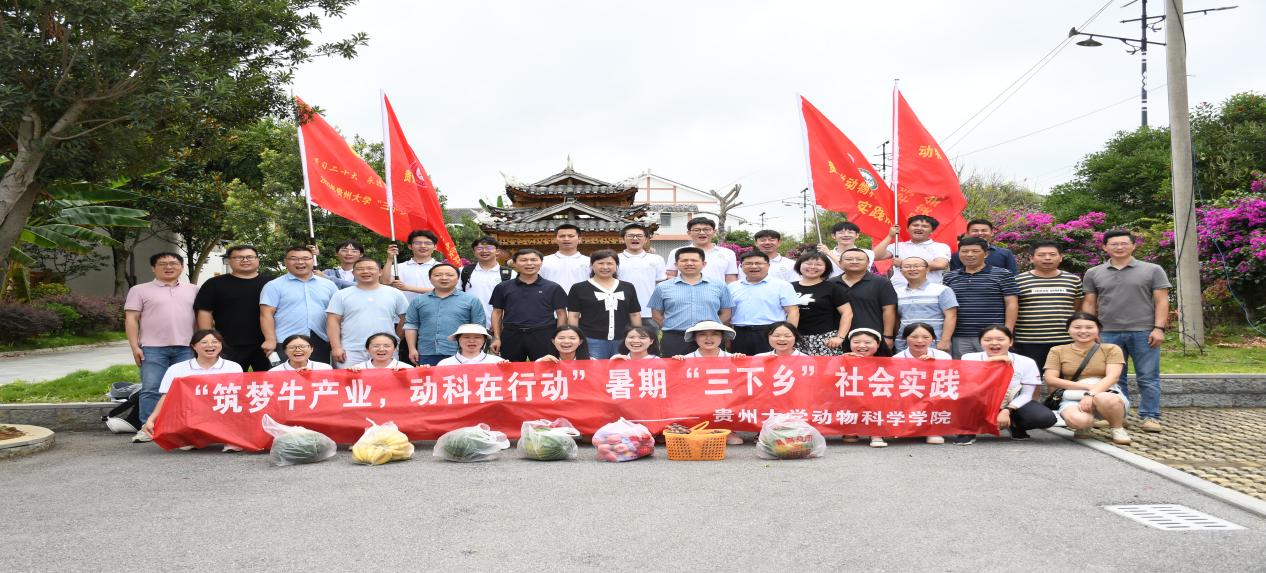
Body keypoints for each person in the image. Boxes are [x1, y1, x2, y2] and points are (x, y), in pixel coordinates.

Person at [1082, 229, 1171, 433]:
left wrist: (1159, 328)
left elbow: (1161, 301)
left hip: (1144, 331)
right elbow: (1089, 303)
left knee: (1148, 376)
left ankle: (1150, 416)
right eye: (1114, 244)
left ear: (1133, 246)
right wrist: (1090, 330)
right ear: (1105, 247)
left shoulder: (1153, 270)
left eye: (1124, 243)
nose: (1119, 247)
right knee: (1113, 378)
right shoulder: (1094, 273)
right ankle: (1117, 417)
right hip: (1108, 332)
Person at [125, 252, 199, 434]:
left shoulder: (194, 290)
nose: (169, 267)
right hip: (152, 348)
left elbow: (201, 317)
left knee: (185, 389)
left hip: (187, 347)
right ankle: (148, 428)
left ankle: (182, 427)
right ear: (153, 268)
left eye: (173, 263)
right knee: (151, 388)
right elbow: (131, 319)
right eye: (163, 264)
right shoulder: (139, 290)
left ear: (181, 267)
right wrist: (134, 347)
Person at [139, 329, 243, 444]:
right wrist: (151, 419)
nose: (210, 345)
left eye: (215, 342)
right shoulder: (177, 369)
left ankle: (230, 438)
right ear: (194, 346)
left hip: (221, 411)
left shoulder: (233, 367)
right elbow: (166, 396)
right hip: (191, 415)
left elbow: (239, 397)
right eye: (204, 342)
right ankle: (189, 436)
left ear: (221, 345)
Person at [1044, 312, 1133, 445]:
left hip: (1106, 393)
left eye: (1089, 327)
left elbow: (1113, 377)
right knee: (1079, 421)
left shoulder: (1111, 349)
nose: (1083, 331)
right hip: (1073, 395)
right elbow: (1051, 379)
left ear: (1098, 329)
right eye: (1077, 327)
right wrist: (1087, 388)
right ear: (1068, 330)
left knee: (1105, 398)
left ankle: (1117, 428)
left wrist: (1091, 394)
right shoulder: (1057, 350)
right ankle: (1085, 423)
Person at [959, 325, 1057, 445]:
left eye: (1000, 339)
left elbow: (1027, 394)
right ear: (980, 342)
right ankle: (968, 430)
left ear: (1010, 342)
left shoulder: (1026, 362)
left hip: (1011, 403)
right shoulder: (968, 358)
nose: (994, 343)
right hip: (979, 403)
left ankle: (1015, 425)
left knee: (1045, 418)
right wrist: (991, 361)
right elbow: (966, 386)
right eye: (987, 340)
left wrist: (1007, 410)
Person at [193, 245, 272, 372]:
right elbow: (205, 311)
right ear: (229, 260)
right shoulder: (214, 284)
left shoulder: (271, 283)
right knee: (229, 380)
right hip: (228, 343)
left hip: (266, 343)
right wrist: (208, 338)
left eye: (249, 257)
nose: (245, 260)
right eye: (239, 257)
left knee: (269, 379)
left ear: (258, 259)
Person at [649, 247, 735, 357]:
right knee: (673, 367)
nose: (689, 263)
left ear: (703, 264)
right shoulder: (662, 287)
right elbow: (656, 314)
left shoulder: (720, 286)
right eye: (684, 260)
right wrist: (672, 325)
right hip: (675, 338)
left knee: (710, 367)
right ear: (676, 264)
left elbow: (726, 313)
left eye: (694, 260)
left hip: (709, 338)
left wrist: (711, 327)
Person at [260, 246, 339, 364]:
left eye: (305, 258)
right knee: (286, 374)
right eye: (294, 258)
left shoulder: (329, 285)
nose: (300, 262)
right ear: (285, 262)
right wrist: (270, 339)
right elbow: (266, 314)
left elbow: (337, 314)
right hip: (285, 340)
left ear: (313, 260)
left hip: (320, 339)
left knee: (319, 373)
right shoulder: (273, 285)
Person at [942, 237, 1018, 358]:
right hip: (960, 334)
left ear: (986, 254)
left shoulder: (1003, 274)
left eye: (975, 251)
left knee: (994, 367)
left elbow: (1011, 304)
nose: (969, 254)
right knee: (964, 367)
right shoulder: (949, 277)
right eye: (964, 251)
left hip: (993, 335)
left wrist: (1007, 332)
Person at [325, 258, 409, 368]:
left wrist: (396, 339)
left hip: (385, 349)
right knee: (350, 378)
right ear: (353, 273)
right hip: (351, 350)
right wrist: (336, 347)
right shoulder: (341, 294)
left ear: (380, 272)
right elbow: (332, 321)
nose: (365, 271)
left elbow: (406, 318)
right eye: (360, 269)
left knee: (386, 379)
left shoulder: (395, 293)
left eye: (370, 268)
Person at [1013, 240, 1083, 368]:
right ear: (1031, 258)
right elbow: (1013, 308)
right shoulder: (1018, 280)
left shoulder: (1073, 280)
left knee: (1064, 376)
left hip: (1065, 340)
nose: (1047, 258)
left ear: (1061, 257)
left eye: (1052, 254)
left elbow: (1077, 307)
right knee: (1032, 377)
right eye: (1041, 255)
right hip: (1028, 340)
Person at [490, 248, 569, 362]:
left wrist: (558, 337)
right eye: (523, 260)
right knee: (509, 368)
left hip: (543, 335)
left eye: (533, 260)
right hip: (511, 335)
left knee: (546, 368)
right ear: (515, 263)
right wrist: (497, 337)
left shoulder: (553, 287)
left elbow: (561, 314)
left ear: (541, 263)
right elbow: (497, 312)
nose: (529, 263)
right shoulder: (503, 287)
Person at [404, 263, 486, 366]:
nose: (444, 278)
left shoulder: (471, 300)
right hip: (427, 352)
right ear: (430, 279)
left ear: (457, 278)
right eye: (438, 275)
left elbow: (479, 327)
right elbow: (411, 325)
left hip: (461, 353)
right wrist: (412, 349)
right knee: (429, 377)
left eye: (449, 275)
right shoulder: (418, 300)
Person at [567, 250, 642, 359]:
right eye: (600, 263)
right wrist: (574, 337)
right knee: (594, 369)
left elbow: (634, 314)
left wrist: (637, 336)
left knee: (621, 368)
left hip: (622, 339)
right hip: (591, 339)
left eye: (610, 263)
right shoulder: (578, 288)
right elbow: (573, 315)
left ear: (616, 266)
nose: (605, 267)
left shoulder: (628, 287)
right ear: (592, 265)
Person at [728, 251, 799, 355]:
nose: (753, 266)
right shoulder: (732, 287)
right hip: (740, 334)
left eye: (758, 263)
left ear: (768, 265)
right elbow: (727, 312)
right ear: (741, 266)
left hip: (771, 333)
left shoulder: (782, 285)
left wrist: (788, 336)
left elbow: (793, 311)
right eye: (748, 263)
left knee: (771, 363)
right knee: (741, 363)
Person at [837, 248, 897, 356]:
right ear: (840, 262)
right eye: (849, 259)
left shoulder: (881, 282)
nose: (854, 261)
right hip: (840, 337)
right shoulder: (831, 283)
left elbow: (889, 310)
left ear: (868, 262)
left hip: (873, 338)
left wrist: (888, 336)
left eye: (859, 259)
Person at [791, 252, 852, 356]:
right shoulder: (789, 287)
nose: (812, 267)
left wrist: (840, 337)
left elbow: (847, 313)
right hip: (794, 338)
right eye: (808, 263)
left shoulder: (833, 287)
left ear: (826, 268)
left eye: (818, 264)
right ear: (799, 265)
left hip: (825, 339)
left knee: (825, 366)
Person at [617, 223, 667, 351]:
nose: (635, 238)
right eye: (631, 236)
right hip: (620, 312)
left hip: (649, 312)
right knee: (621, 348)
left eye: (639, 236)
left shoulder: (657, 259)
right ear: (622, 239)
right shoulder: (614, 259)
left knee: (650, 349)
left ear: (646, 239)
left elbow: (661, 286)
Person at [894, 256, 958, 354]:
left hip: (935, 342)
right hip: (905, 342)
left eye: (917, 266)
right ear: (901, 271)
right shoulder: (896, 292)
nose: (912, 269)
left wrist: (945, 340)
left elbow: (951, 316)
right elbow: (896, 318)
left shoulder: (942, 290)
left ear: (927, 269)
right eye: (907, 266)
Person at [841, 328, 891, 448]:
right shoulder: (844, 359)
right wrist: (840, 360)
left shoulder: (887, 362)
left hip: (877, 399)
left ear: (878, 344)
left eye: (868, 342)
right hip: (851, 399)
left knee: (877, 405)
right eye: (856, 342)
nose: (862, 346)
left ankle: (876, 433)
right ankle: (851, 429)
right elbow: (827, 377)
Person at [874, 215, 951, 289]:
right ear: (907, 229)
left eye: (925, 226)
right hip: (898, 289)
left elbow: (941, 265)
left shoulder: (940, 247)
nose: (919, 228)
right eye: (915, 225)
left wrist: (903, 263)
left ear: (932, 231)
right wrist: (890, 236)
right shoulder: (897, 246)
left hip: (929, 290)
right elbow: (875, 256)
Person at [460, 236, 514, 328]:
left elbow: (514, 301)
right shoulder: (463, 271)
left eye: (489, 248)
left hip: (499, 326)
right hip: (469, 326)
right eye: (479, 248)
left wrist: (501, 322)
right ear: (474, 252)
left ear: (497, 251)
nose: (484, 251)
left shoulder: (510, 274)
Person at [666, 217, 738, 284]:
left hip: (717, 293)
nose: (702, 233)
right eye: (696, 230)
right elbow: (670, 276)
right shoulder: (677, 252)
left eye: (706, 229)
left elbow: (731, 281)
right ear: (689, 233)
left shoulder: (728, 253)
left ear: (714, 232)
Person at [818, 221, 892, 277]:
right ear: (833, 236)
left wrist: (829, 253)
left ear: (857, 235)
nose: (846, 235)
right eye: (841, 233)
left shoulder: (867, 253)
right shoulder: (824, 255)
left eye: (850, 232)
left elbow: (851, 270)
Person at [383, 229, 441, 301]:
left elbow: (442, 290)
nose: (423, 246)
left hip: (433, 306)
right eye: (417, 243)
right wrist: (389, 259)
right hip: (406, 307)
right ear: (410, 246)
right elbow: (385, 282)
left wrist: (407, 288)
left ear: (435, 247)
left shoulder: (442, 268)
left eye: (428, 243)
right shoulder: (398, 267)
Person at [949, 219, 1017, 273]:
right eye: (975, 231)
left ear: (992, 233)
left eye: (984, 230)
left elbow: (1012, 276)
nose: (980, 233)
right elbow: (955, 276)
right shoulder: (958, 255)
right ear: (967, 233)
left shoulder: (1005, 253)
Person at [539, 224, 590, 293]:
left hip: (581, 298)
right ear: (555, 239)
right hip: (550, 298)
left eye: (571, 236)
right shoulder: (543, 261)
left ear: (579, 239)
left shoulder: (589, 261)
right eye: (562, 236)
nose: (566, 239)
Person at [436, 324, 507, 366]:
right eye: (466, 337)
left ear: (484, 340)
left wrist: (506, 369)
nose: (471, 341)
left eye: (477, 337)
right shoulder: (445, 364)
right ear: (458, 339)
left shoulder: (497, 362)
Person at [672, 321, 742, 359]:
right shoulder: (686, 359)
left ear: (722, 336)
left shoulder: (732, 359)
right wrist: (677, 364)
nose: (708, 338)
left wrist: (741, 361)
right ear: (695, 337)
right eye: (702, 334)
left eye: (714, 334)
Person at [269, 334, 333, 371]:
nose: (298, 350)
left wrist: (313, 375)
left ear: (311, 349)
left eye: (302, 346)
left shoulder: (325, 368)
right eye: (292, 347)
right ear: (285, 351)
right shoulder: (274, 372)